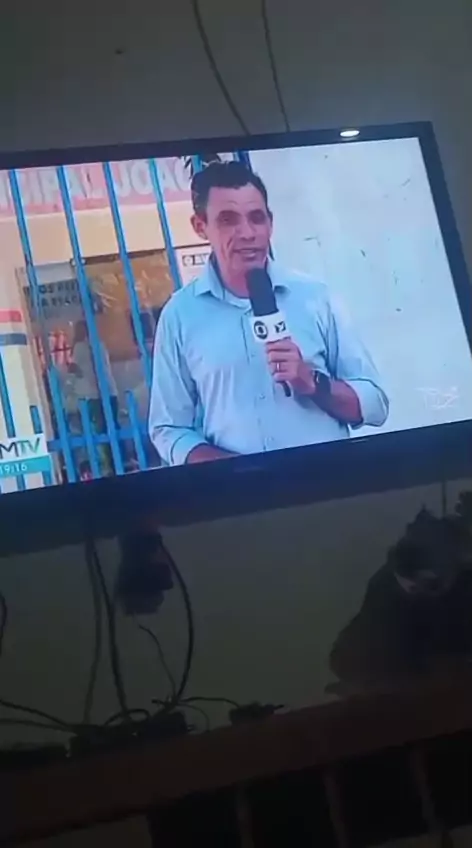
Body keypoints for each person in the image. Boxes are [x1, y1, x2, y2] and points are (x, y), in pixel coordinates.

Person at [148, 161, 389, 466]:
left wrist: (312, 382)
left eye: (256, 218)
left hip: (329, 483)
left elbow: (375, 405)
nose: (247, 233)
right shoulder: (179, 316)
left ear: (270, 224)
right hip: (240, 494)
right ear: (200, 227)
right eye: (228, 220)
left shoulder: (315, 298)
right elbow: (169, 429)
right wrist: (233, 472)